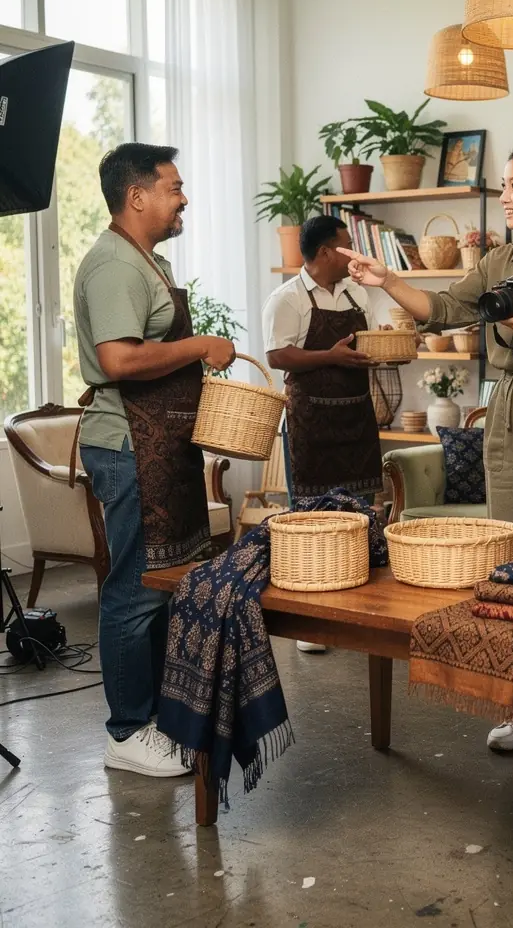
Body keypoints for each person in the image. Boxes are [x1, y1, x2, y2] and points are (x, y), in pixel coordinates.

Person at [342, 142, 513, 771]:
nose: (507, 195)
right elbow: (444, 309)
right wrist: (386, 278)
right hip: (509, 405)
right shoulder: (499, 260)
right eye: (503, 184)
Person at [74, 143, 235, 776]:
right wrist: (198, 345)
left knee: (167, 584)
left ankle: (161, 720)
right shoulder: (114, 263)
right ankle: (125, 732)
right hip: (128, 446)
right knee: (135, 590)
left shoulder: (149, 261)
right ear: (136, 195)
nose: (184, 197)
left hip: (163, 445)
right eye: (173, 187)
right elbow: (118, 361)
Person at [262, 213, 382, 654]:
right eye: (346, 245)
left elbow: (365, 342)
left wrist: (377, 351)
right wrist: (329, 357)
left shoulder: (357, 292)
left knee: (359, 516)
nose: (352, 252)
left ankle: (362, 609)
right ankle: (308, 623)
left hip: (356, 416)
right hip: (310, 421)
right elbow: (277, 356)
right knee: (309, 520)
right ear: (326, 251)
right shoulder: (287, 298)